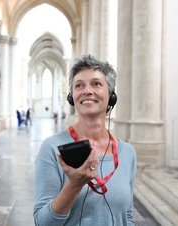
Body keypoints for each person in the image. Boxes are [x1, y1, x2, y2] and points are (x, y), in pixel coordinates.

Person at [33, 55, 137, 226]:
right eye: (79, 85)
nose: (87, 90)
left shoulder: (127, 153)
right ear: (71, 96)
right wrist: (74, 185)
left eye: (96, 84)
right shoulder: (53, 148)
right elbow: (42, 222)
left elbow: (127, 216)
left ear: (111, 96)